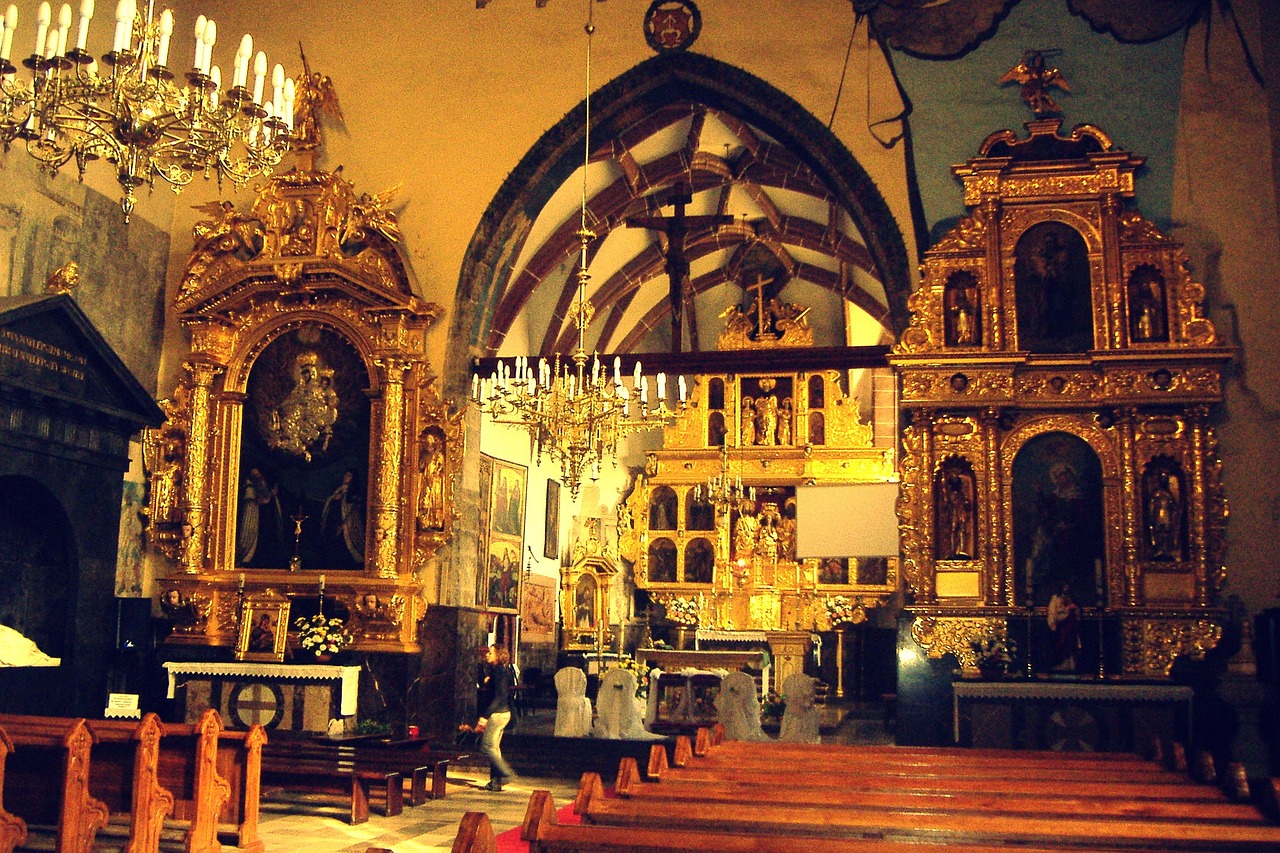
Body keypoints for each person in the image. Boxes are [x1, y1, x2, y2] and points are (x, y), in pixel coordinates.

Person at [475, 644, 518, 791]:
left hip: (497, 714)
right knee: (494, 748)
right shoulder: (499, 671)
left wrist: (485, 717)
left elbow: (499, 697)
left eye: (491, 653)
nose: (488, 655)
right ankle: (495, 782)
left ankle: (506, 774)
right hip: (502, 713)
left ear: (498, 655)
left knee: (486, 746)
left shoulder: (499, 672)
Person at [1047, 584, 1082, 672]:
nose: (1066, 589)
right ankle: (1060, 664)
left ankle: (1070, 665)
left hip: (1070, 625)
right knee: (1061, 645)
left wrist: (1074, 608)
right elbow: (1052, 611)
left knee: (1071, 645)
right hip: (1060, 625)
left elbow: (1077, 612)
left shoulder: (1072, 598)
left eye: (1067, 587)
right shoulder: (1056, 598)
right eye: (1064, 587)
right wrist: (1052, 623)